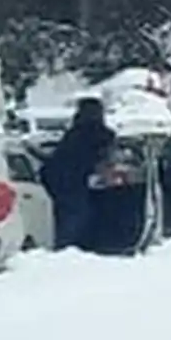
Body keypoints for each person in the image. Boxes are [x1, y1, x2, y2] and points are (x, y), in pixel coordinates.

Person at [41, 96, 116, 249]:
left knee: (63, 215)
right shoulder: (103, 134)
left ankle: (62, 247)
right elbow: (104, 161)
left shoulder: (73, 133)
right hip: (75, 180)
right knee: (77, 215)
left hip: (54, 177)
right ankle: (68, 248)